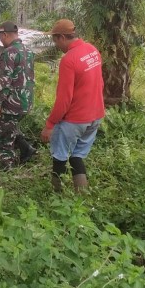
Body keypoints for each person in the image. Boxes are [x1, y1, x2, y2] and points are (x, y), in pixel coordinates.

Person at [40, 19, 104, 193]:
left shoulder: (69, 60)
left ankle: (56, 196)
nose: (56, 44)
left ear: (61, 37)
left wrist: (50, 124)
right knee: (76, 156)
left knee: (59, 156)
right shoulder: (92, 50)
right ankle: (82, 198)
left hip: (75, 119)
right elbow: (99, 83)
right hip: (95, 116)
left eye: (55, 40)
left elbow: (64, 99)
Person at [0, 21, 37, 169]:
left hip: (12, 103)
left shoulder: (8, 53)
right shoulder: (28, 51)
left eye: (0, 37)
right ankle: (26, 149)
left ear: (5, 35)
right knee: (10, 128)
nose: (0, 40)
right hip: (26, 101)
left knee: (3, 137)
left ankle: (7, 169)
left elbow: (4, 81)